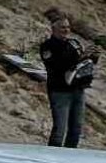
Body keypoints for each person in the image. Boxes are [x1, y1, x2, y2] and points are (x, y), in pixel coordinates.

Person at [40, 10, 100, 148]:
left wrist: (93, 55)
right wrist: (81, 58)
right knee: (59, 129)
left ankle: (69, 156)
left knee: (76, 129)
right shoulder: (48, 46)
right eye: (62, 27)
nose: (66, 30)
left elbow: (84, 64)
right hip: (60, 91)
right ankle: (51, 158)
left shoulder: (74, 43)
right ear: (53, 28)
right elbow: (56, 66)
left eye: (67, 27)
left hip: (78, 89)